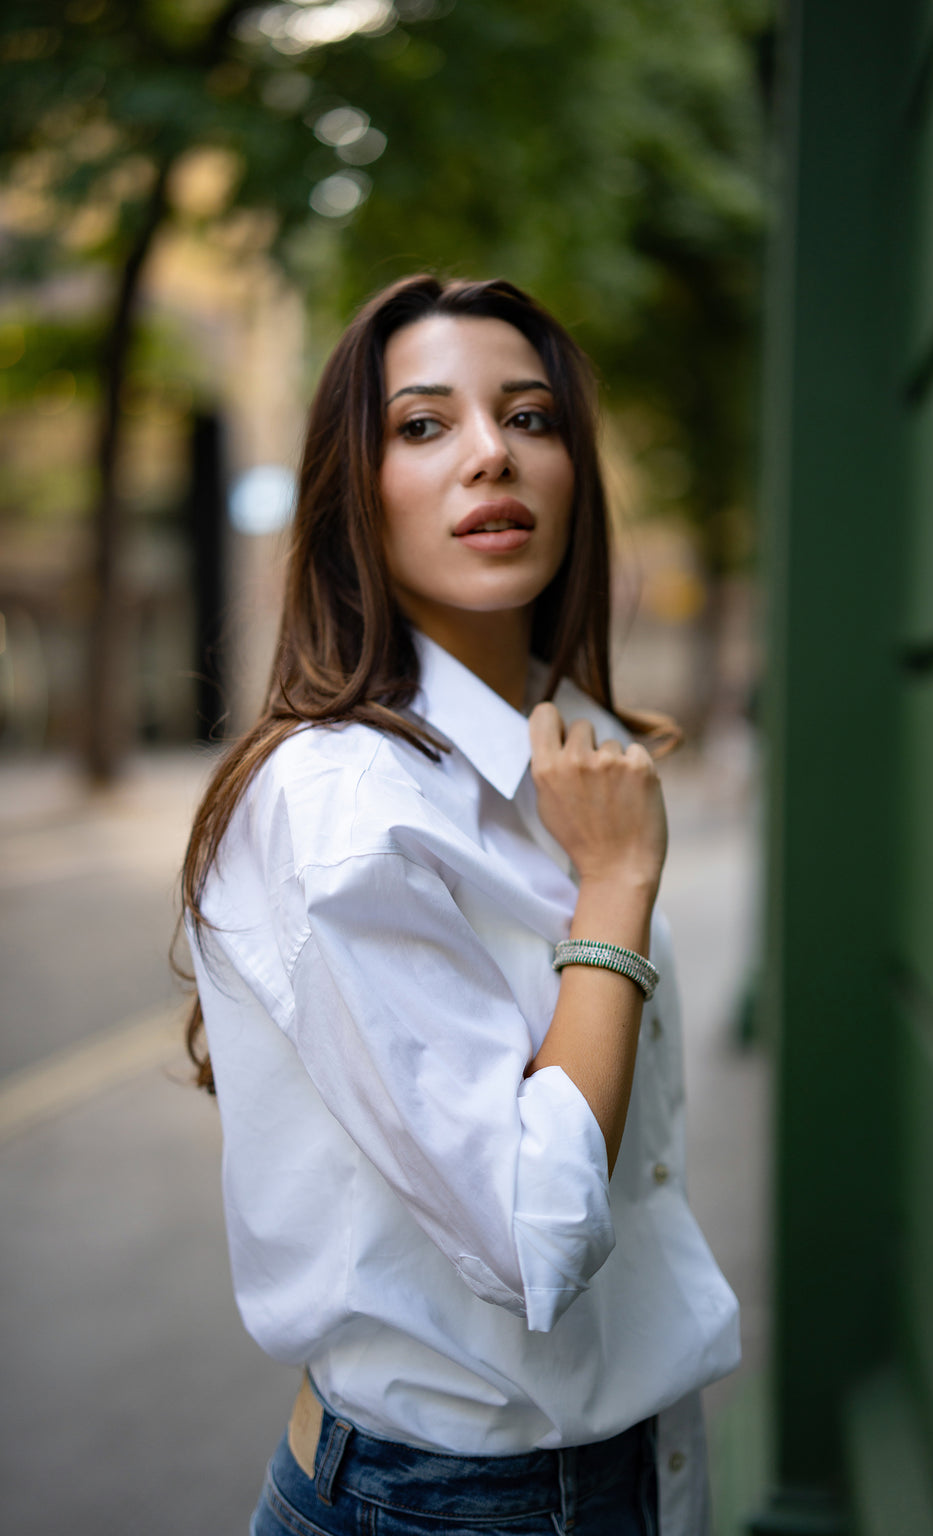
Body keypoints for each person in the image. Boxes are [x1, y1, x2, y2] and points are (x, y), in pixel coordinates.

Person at [181, 274, 740, 1536]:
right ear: (352, 493)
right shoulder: (340, 806)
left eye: (530, 417)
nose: (491, 452)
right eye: (424, 425)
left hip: (641, 1455)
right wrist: (614, 888)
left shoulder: (578, 745)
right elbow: (530, 1236)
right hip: (454, 1500)